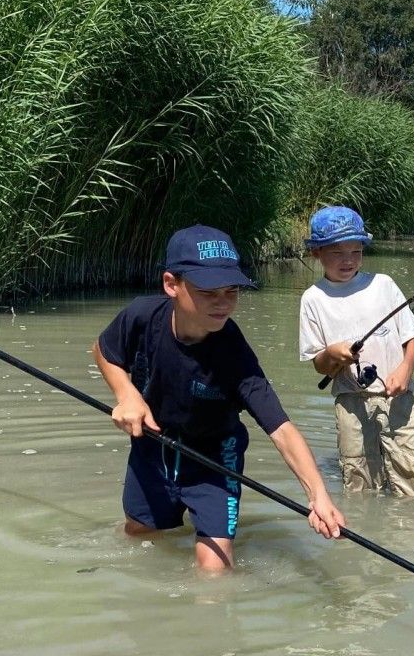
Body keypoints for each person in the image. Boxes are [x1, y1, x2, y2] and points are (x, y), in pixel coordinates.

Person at [93, 224, 344, 572]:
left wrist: (318, 495)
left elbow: (281, 428)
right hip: (152, 445)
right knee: (139, 535)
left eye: (231, 291)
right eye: (208, 290)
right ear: (171, 284)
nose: (223, 302)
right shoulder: (141, 316)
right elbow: (104, 351)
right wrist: (127, 395)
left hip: (214, 459)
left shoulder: (235, 355)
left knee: (215, 569)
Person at [299, 205, 414, 498]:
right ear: (317, 253)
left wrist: (405, 369)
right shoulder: (313, 299)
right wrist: (334, 352)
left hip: (399, 399)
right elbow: (319, 365)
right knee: (360, 487)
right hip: (350, 402)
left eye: (356, 251)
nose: (348, 260)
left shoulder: (383, 285)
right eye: (337, 252)